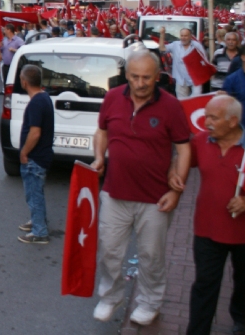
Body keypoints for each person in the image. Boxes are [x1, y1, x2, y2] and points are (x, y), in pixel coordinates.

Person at [91, 49, 191, 326]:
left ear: (157, 76)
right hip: (114, 192)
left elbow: (184, 149)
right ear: (126, 75)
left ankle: (150, 303)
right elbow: (102, 131)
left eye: (147, 77)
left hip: (155, 198)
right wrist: (100, 156)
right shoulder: (112, 97)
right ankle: (110, 297)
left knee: (151, 256)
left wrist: (176, 191)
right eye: (134, 76)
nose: (141, 83)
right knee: (109, 250)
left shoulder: (171, 106)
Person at [178, 96, 245, 335]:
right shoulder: (200, 141)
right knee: (205, 284)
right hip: (207, 229)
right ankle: (197, 330)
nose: (206, 122)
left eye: (213, 118)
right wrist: (172, 174)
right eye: (206, 115)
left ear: (232, 121)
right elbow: (182, 161)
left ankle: (242, 320)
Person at [16, 65, 54, 244]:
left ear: (24, 82)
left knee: (33, 194)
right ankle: (37, 220)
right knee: (35, 192)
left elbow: (35, 133)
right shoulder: (44, 97)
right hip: (41, 156)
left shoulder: (36, 103)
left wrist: (24, 152)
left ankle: (39, 232)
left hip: (35, 158)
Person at [159, 27, 205, 97]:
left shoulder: (197, 45)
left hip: (195, 78)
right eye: (182, 36)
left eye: (185, 36)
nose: (183, 38)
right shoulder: (175, 45)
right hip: (181, 79)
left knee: (196, 99)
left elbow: (204, 60)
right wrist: (162, 35)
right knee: (182, 103)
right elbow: (162, 49)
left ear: (190, 36)